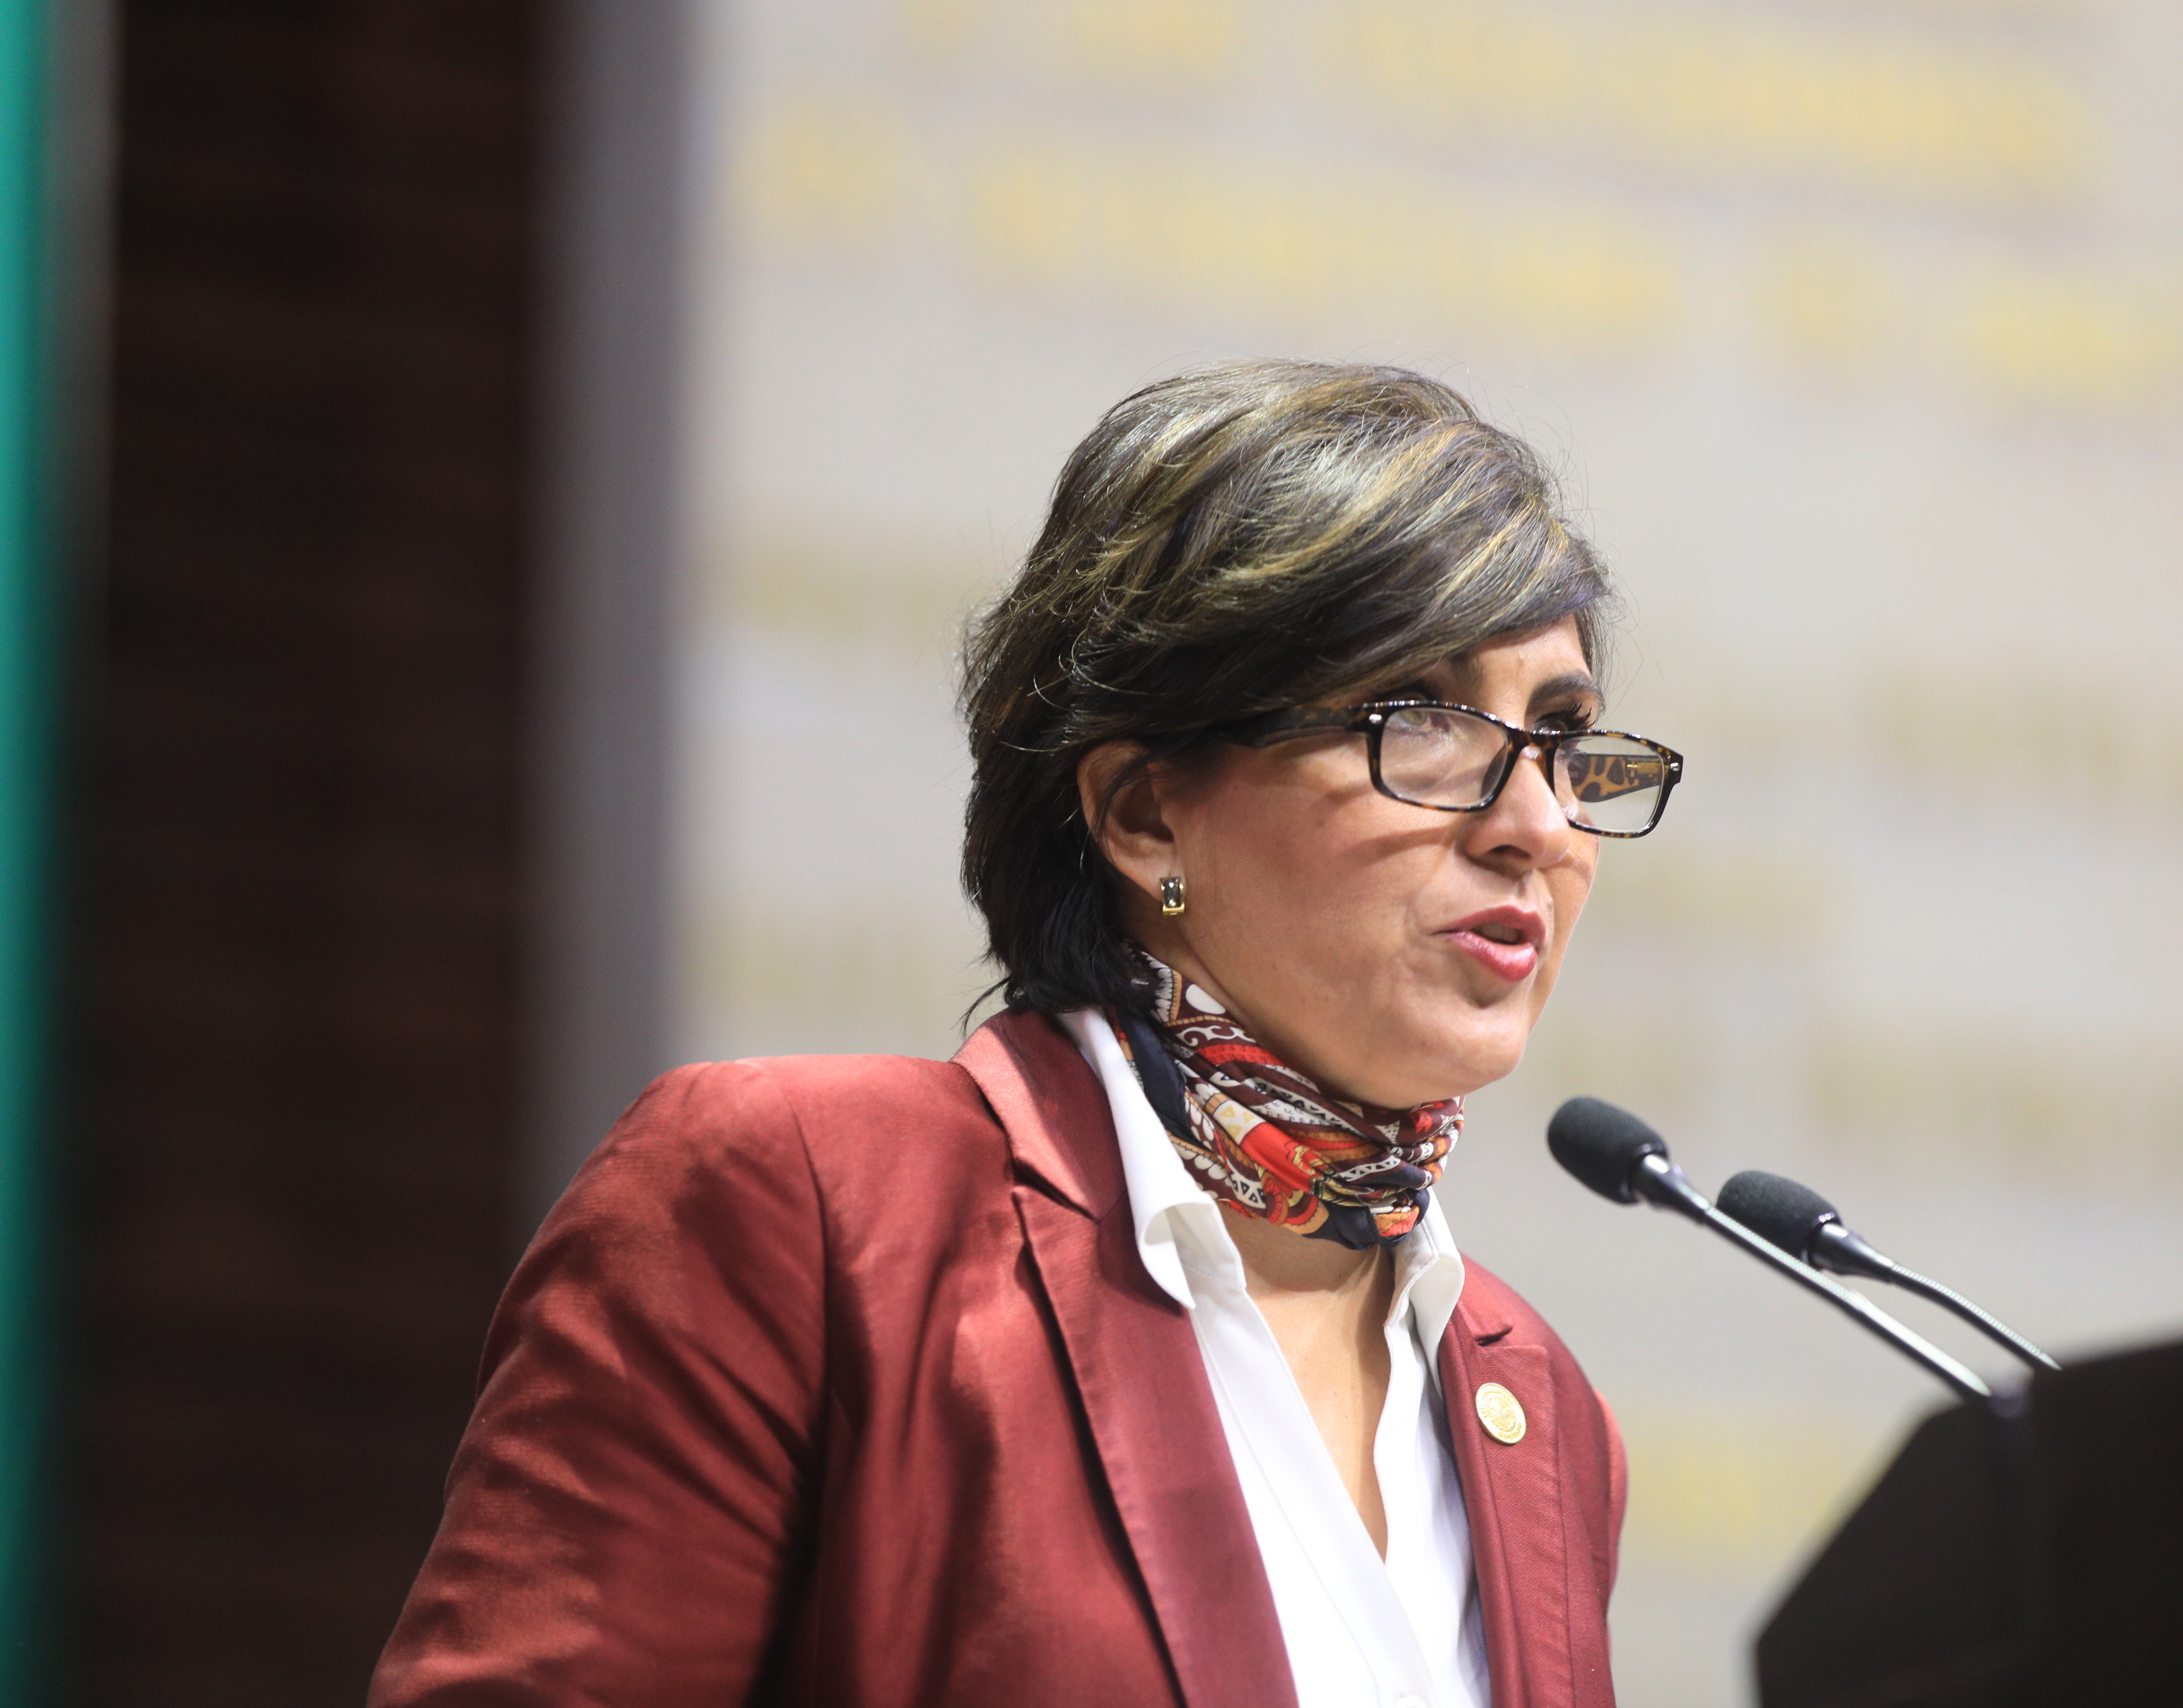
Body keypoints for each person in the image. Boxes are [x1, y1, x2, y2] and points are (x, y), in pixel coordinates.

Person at [369, 360, 1686, 1707]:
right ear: (1143, 813)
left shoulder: (1541, 1412)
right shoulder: (801, 1207)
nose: (1537, 824)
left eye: (1564, 736)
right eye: (1426, 723)